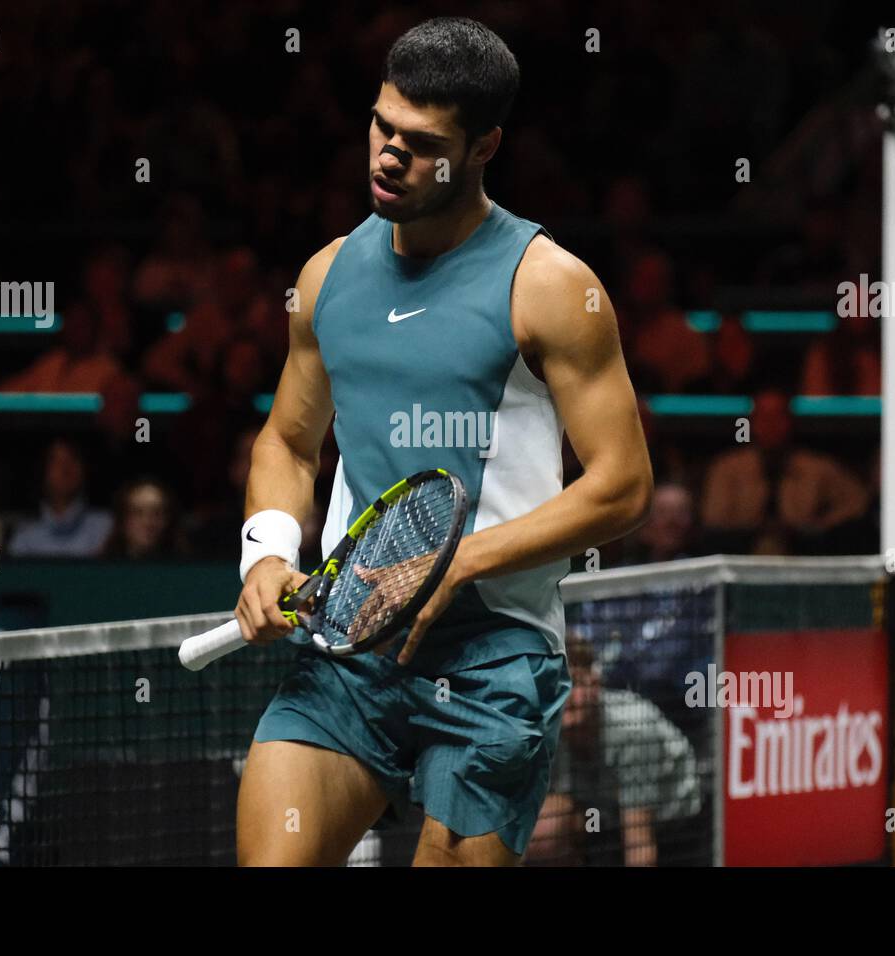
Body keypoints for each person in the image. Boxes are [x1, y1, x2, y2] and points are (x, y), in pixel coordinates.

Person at [233, 18, 653, 867]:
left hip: (495, 658)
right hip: (352, 645)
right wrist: (268, 553)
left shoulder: (550, 287)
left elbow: (622, 486)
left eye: (423, 144)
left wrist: (457, 561)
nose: (389, 156)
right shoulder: (324, 278)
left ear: (485, 145)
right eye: (383, 127)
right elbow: (286, 440)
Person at [525, 633, 701, 867]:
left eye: (573, 683)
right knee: (547, 828)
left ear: (595, 684)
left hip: (671, 827)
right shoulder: (549, 732)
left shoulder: (632, 729)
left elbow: (641, 850)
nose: (564, 697)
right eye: (553, 687)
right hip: (600, 819)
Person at [700, 390, 869, 555]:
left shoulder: (818, 468)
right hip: (739, 558)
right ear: (750, 424)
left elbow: (858, 502)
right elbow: (714, 521)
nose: (770, 425)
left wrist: (821, 527)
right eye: (763, 417)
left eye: (778, 417)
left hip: (805, 559)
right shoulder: (727, 467)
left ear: (791, 422)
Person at [8, 439, 113, 557]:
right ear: (43, 472)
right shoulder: (25, 536)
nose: (65, 468)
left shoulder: (106, 528)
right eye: (56, 462)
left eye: (72, 459)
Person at [101, 477, 188, 559]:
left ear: (169, 519)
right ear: (122, 519)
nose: (147, 522)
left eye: (157, 513)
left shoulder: (189, 567)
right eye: (137, 512)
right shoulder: (98, 568)